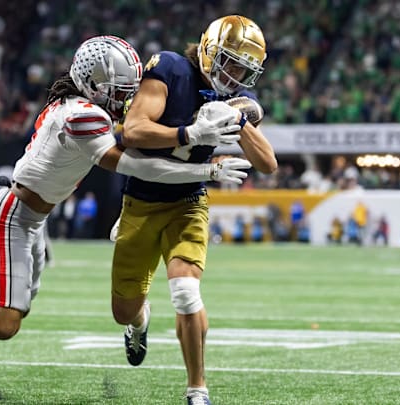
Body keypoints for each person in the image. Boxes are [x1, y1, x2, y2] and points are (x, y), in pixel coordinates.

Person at [0, 35, 252, 401]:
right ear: (94, 82)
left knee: (11, 311)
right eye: (120, 89)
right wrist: (204, 164)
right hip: (13, 215)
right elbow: (139, 167)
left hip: (31, 219)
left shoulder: (76, 106)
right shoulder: (84, 115)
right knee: (5, 322)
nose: (127, 98)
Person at [110, 15, 277, 405]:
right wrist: (189, 133)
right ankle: (139, 322)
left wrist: (236, 118)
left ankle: (197, 388)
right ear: (208, 50)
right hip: (141, 201)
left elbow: (268, 164)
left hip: (188, 203)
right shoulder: (169, 68)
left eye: (243, 69)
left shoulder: (234, 98)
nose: (234, 75)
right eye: (230, 63)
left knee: (186, 291)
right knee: (123, 310)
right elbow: (134, 130)